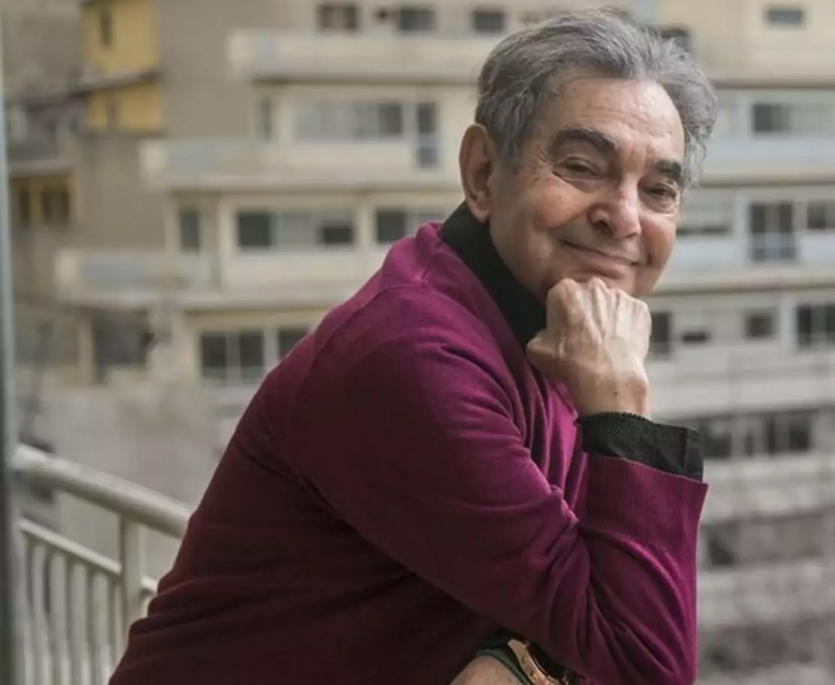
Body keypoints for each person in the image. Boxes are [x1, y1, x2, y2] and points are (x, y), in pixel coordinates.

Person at [111, 9, 717, 684]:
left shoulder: (551, 330)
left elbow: (599, 606)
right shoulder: (415, 355)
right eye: (581, 167)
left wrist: (516, 664)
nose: (624, 217)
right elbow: (641, 665)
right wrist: (622, 407)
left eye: (658, 190)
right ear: (483, 173)